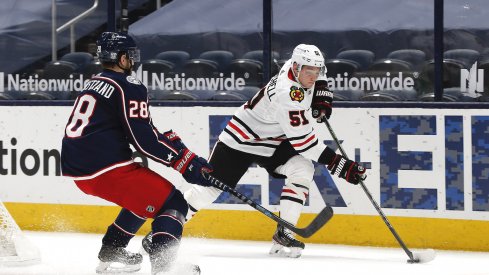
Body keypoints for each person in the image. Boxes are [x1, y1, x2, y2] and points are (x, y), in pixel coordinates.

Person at [183, 44, 366, 258]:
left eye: (316, 71)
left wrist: (321, 95)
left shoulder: (296, 65)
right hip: (242, 138)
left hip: (274, 138)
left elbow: (321, 70)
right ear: (296, 68)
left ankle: (284, 232)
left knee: (302, 168)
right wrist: (339, 164)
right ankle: (167, 225)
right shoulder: (288, 94)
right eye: (309, 72)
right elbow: (304, 143)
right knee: (209, 190)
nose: (313, 76)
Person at [61, 32, 211, 275]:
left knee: (146, 196)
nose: (133, 61)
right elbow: (144, 141)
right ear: (121, 59)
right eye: (130, 56)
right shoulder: (127, 86)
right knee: (173, 203)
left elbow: (142, 133)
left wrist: (179, 154)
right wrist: (184, 162)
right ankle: (165, 267)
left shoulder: (94, 81)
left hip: (79, 168)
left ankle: (112, 251)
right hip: (106, 169)